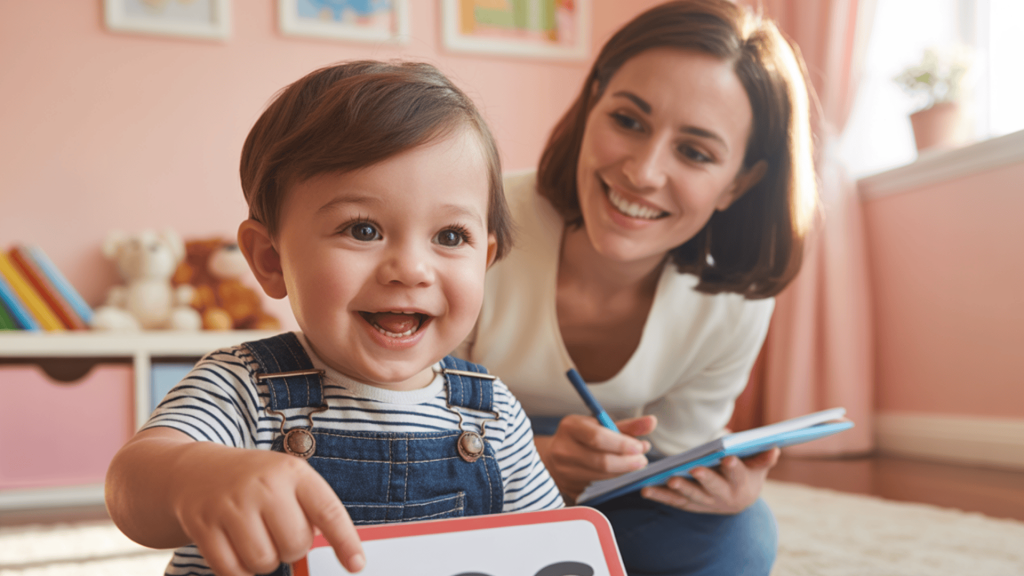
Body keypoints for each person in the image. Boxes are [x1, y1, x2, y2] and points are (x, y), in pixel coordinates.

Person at [105, 60, 563, 576]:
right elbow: (129, 486)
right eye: (363, 230)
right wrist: (195, 475)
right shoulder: (244, 388)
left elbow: (546, 547)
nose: (411, 269)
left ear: (486, 260)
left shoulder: (493, 414)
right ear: (270, 259)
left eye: (450, 236)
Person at [457, 1, 817, 574]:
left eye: (695, 152)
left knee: (742, 531)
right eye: (628, 121)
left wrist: (717, 487)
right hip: (447, 464)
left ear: (740, 183)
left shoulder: (735, 302)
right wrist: (536, 459)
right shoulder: (474, 220)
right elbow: (394, 417)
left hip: (607, 481)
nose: (643, 173)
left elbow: (671, 451)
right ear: (593, 102)